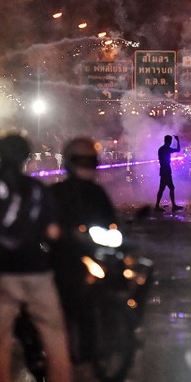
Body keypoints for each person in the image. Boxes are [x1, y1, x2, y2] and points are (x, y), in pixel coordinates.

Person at [0, 134, 77, 382]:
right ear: (27, 158)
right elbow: (53, 232)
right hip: (37, 271)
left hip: (3, 273)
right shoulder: (38, 190)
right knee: (54, 334)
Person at [49, 137, 119, 357]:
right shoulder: (56, 193)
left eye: (90, 161)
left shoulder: (97, 193)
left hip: (95, 251)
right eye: (82, 161)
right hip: (66, 256)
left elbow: (111, 220)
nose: (87, 166)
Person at [154, 134, 182, 212]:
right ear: (168, 141)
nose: (170, 142)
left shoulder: (161, 149)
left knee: (163, 188)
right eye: (170, 141)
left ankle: (158, 206)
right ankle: (172, 206)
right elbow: (178, 150)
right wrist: (178, 141)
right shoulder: (166, 149)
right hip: (166, 170)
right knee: (169, 188)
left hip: (164, 170)